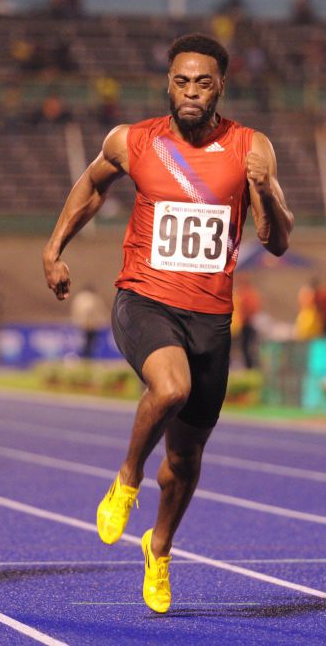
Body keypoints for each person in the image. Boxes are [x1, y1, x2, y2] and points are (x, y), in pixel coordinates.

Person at [42, 33, 293, 613]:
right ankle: (126, 478)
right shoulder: (134, 141)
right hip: (144, 300)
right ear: (168, 83)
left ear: (220, 86)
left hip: (210, 317)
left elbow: (277, 241)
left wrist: (263, 189)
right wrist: (54, 248)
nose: (190, 92)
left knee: (184, 459)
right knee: (170, 386)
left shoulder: (252, 147)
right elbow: (90, 187)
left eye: (202, 82)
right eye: (181, 81)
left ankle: (159, 548)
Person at [70, 285, 108, 359]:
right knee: (89, 343)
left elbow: (75, 311)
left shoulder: (79, 297)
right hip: (90, 325)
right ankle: (86, 358)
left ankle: (84, 358)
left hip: (81, 324)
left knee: (85, 343)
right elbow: (92, 310)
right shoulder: (92, 298)